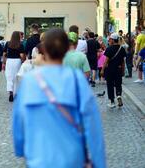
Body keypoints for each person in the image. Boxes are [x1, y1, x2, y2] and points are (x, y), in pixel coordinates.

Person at [13, 28, 106, 168]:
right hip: (72, 158)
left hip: (38, 157)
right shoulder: (77, 80)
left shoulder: (30, 81)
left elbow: (18, 119)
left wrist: (20, 148)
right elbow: (93, 126)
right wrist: (99, 163)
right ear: (66, 49)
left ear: (44, 49)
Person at [101, 33, 126, 108]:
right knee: (118, 84)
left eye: (110, 39)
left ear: (112, 40)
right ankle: (118, 95)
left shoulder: (109, 48)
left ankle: (112, 102)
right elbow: (123, 61)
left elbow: (106, 61)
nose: (109, 40)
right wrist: (123, 70)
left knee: (110, 85)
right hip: (118, 69)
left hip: (110, 70)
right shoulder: (121, 49)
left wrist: (102, 70)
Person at [2, 31, 25, 102]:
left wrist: (4, 62)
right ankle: (16, 93)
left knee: (9, 77)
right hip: (17, 61)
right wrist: (23, 61)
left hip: (9, 61)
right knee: (16, 77)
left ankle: (10, 92)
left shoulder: (8, 43)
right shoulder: (20, 44)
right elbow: (21, 55)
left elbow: (4, 54)